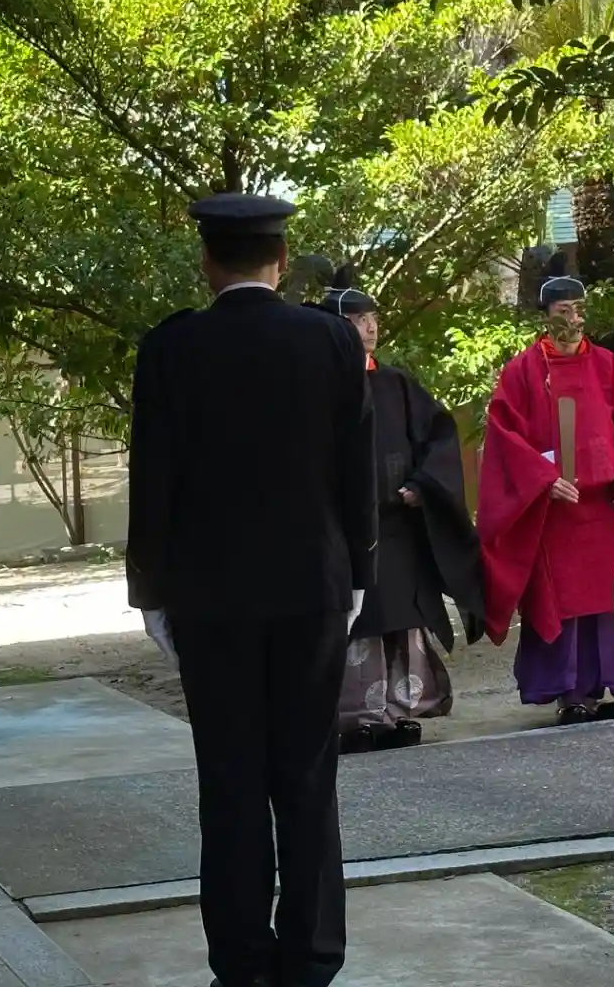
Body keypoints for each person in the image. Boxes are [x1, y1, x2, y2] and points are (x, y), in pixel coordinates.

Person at [127, 193, 375, 987]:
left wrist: (149, 590)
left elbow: (152, 476)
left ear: (207, 262)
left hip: (210, 595)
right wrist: (359, 572)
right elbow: (357, 469)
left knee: (230, 777)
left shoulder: (172, 347)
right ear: (282, 259)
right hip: (312, 585)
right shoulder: (331, 339)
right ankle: (311, 957)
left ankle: (241, 961)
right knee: (307, 775)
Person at [310, 269, 485, 753]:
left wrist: (423, 485)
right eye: (358, 319)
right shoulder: (316, 388)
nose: (370, 327)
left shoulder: (396, 384)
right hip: (345, 530)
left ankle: (401, 709)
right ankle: (356, 716)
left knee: (401, 617)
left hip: (399, 527)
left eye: (372, 318)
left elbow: (439, 437)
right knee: (357, 621)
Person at [476, 257, 614, 724]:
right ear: (546, 316)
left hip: (602, 508)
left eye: (579, 310)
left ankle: (602, 685)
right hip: (553, 512)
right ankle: (570, 692)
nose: (573, 320)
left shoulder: (606, 365)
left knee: (606, 602)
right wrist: (541, 478)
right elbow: (504, 437)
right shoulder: (521, 371)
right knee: (564, 605)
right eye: (563, 311)